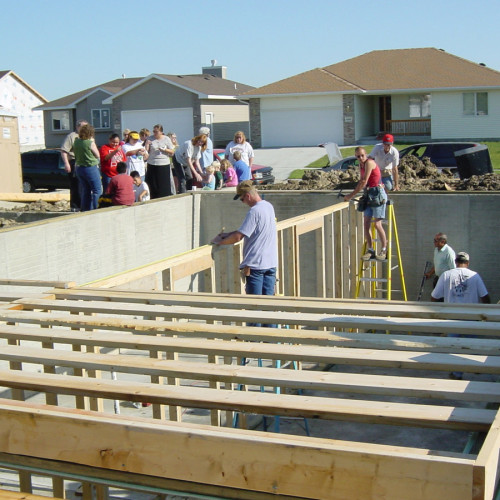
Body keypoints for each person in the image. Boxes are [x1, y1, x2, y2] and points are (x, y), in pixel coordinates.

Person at [211, 180, 278, 319]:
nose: (243, 202)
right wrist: (227, 234)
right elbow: (247, 231)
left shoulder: (254, 211)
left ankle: (253, 339)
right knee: (269, 309)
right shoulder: (268, 206)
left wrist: (220, 241)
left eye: (242, 199)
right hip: (270, 265)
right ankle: (270, 339)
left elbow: (238, 237)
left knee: (254, 310)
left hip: (255, 267)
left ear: (247, 196)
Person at [431, 251, 490, 380]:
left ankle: (457, 374)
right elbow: (485, 297)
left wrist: (438, 312)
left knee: (454, 346)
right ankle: (475, 368)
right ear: (467, 263)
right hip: (472, 318)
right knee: (472, 344)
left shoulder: (447, 275)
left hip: (452, 318)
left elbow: (434, 297)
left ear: (456, 262)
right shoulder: (475, 275)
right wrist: (487, 315)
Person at [344, 147, 388, 261]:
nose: (360, 158)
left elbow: (364, 181)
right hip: (369, 194)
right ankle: (371, 250)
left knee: (377, 224)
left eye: (362, 155)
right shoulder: (361, 165)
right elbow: (361, 180)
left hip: (377, 194)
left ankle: (383, 250)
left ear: (366, 154)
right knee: (366, 223)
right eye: (358, 156)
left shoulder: (369, 163)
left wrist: (350, 195)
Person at [73, 123, 102, 211]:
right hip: (90, 167)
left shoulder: (76, 141)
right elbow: (97, 154)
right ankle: (97, 208)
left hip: (79, 168)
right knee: (97, 190)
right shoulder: (90, 143)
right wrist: (93, 142)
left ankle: (85, 209)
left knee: (86, 189)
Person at [60, 119, 88, 211]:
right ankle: (75, 206)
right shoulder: (71, 136)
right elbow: (64, 151)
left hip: (86, 162)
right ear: (77, 127)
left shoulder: (88, 136)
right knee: (76, 185)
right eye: (83, 127)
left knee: (85, 185)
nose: (85, 129)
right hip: (74, 162)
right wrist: (67, 164)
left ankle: (85, 205)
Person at [144, 124, 174, 199]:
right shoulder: (150, 138)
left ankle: (164, 197)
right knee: (153, 183)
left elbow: (172, 151)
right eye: (153, 131)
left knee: (163, 184)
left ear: (161, 132)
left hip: (163, 163)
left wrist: (165, 149)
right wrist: (147, 145)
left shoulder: (166, 139)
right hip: (152, 163)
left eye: (156, 131)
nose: (154, 133)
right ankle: (153, 197)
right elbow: (146, 151)